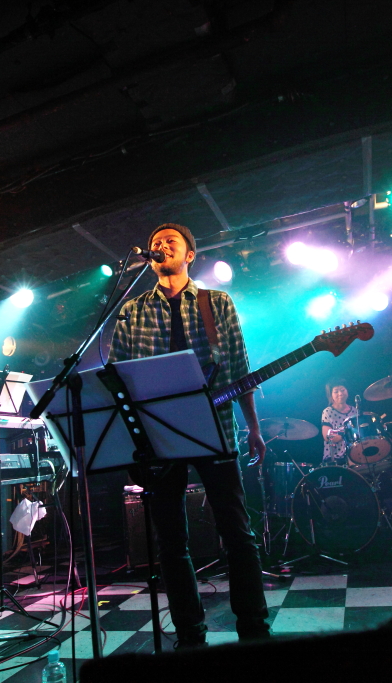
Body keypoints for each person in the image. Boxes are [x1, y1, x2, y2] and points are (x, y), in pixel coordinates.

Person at [109, 223, 270, 647]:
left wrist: (253, 427)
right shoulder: (131, 310)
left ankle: (254, 628)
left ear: (190, 255)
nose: (160, 245)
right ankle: (189, 633)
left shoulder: (216, 302)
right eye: (155, 242)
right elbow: (116, 378)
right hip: (157, 437)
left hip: (215, 429)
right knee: (170, 543)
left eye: (171, 241)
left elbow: (239, 367)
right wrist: (131, 442)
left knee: (237, 533)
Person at [320, 378, 356, 466]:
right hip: (334, 458)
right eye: (336, 391)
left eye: (342, 390)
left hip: (354, 455)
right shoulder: (328, 412)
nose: (340, 394)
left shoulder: (355, 411)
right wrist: (347, 433)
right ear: (331, 395)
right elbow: (328, 437)